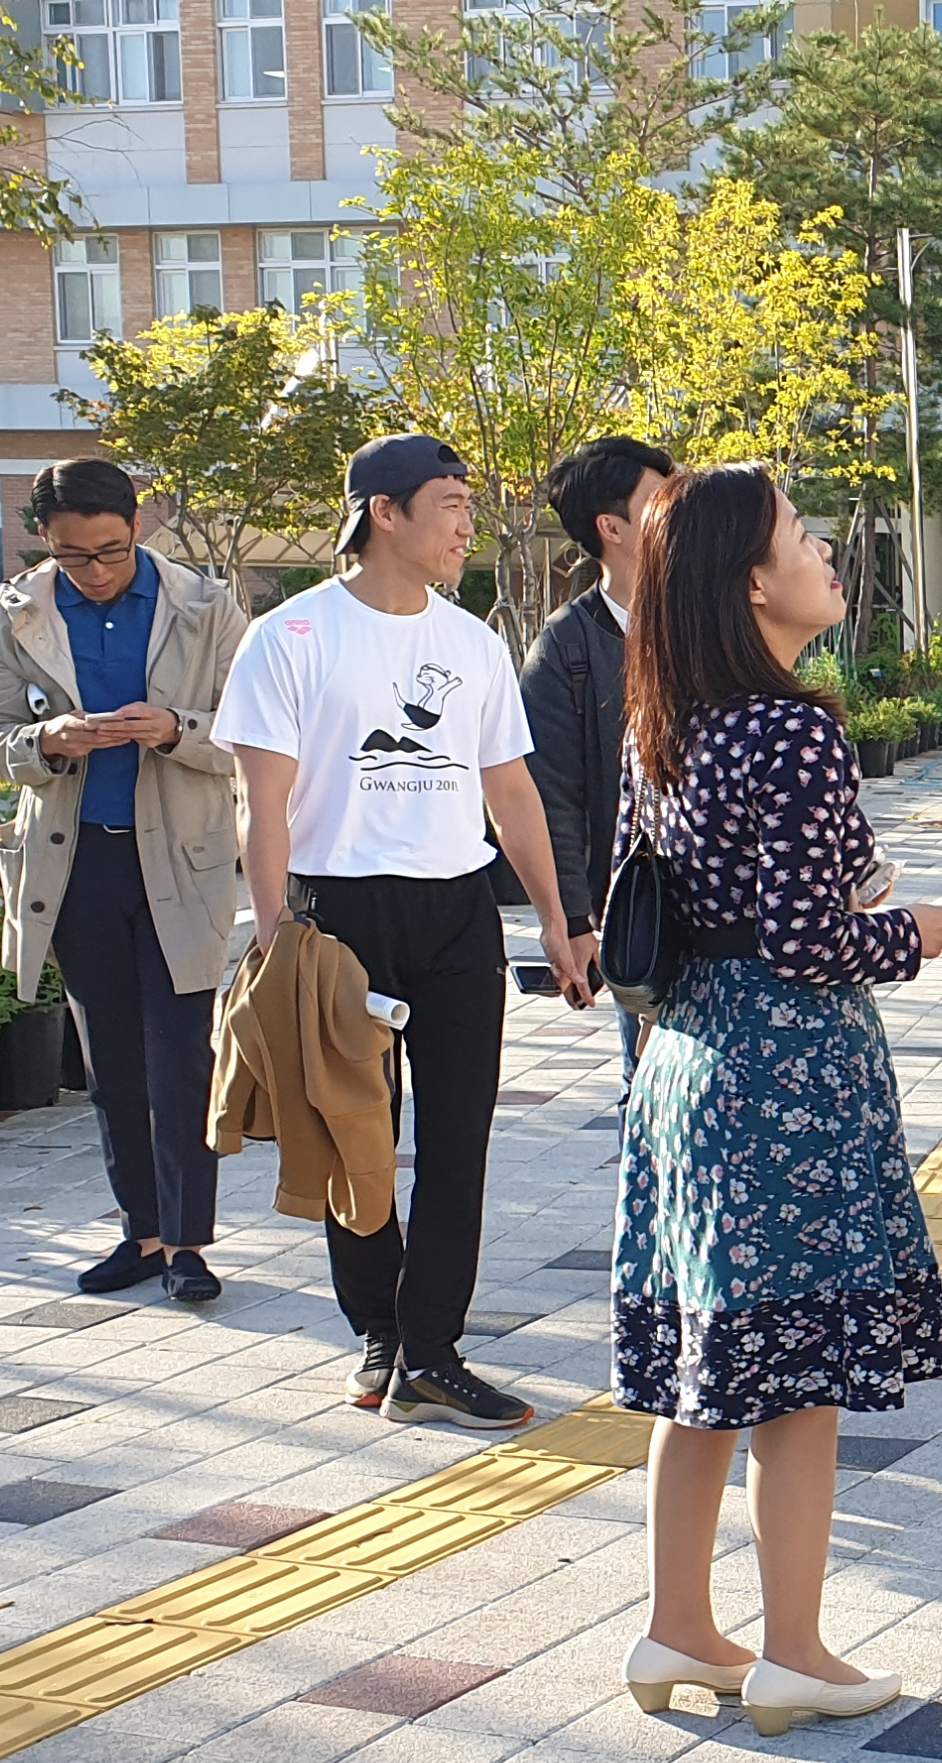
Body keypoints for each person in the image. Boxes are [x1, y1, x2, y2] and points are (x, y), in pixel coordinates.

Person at [610, 464, 942, 1733]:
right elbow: (812, 939)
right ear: (753, 580)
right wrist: (916, 931)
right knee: (796, 1382)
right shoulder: (792, 727)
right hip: (787, 1079)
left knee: (708, 1368)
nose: (824, 551)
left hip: (685, 1063)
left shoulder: (667, 721)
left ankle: (676, 1630)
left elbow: (651, 912)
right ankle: (795, 1651)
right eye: (803, 537)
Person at [222, 432, 596, 1432]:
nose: (466, 526)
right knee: (358, 1135)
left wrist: (559, 919)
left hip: (455, 911)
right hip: (335, 914)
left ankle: (431, 1351)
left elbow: (510, 794)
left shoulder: (471, 642)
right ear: (383, 512)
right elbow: (262, 805)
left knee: (461, 1135)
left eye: (469, 506)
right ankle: (380, 1332)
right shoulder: (291, 638)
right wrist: (274, 943)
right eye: (448, 505)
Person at [0, 458, 247, 1305]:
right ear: (43, 544)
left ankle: (192, 1244)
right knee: (112, 1064)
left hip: (182, 860)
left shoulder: (206, 607)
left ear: (138, 526)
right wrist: (47, 742)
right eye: (73, 557)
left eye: (112, 551)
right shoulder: (10, 613)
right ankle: (145, 1235)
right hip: (74, 858)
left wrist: (175, 729)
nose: (95, 571)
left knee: (181, 1061)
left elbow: (256, 729)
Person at [521, 435, 675, 1075]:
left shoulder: (719, 615)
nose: (678, 509)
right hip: (642, 909)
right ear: (612, 527)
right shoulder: (567, 648)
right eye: (659, 500)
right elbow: (549, 797)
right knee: (645, 1082)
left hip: (735, 903)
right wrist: (573, 921)